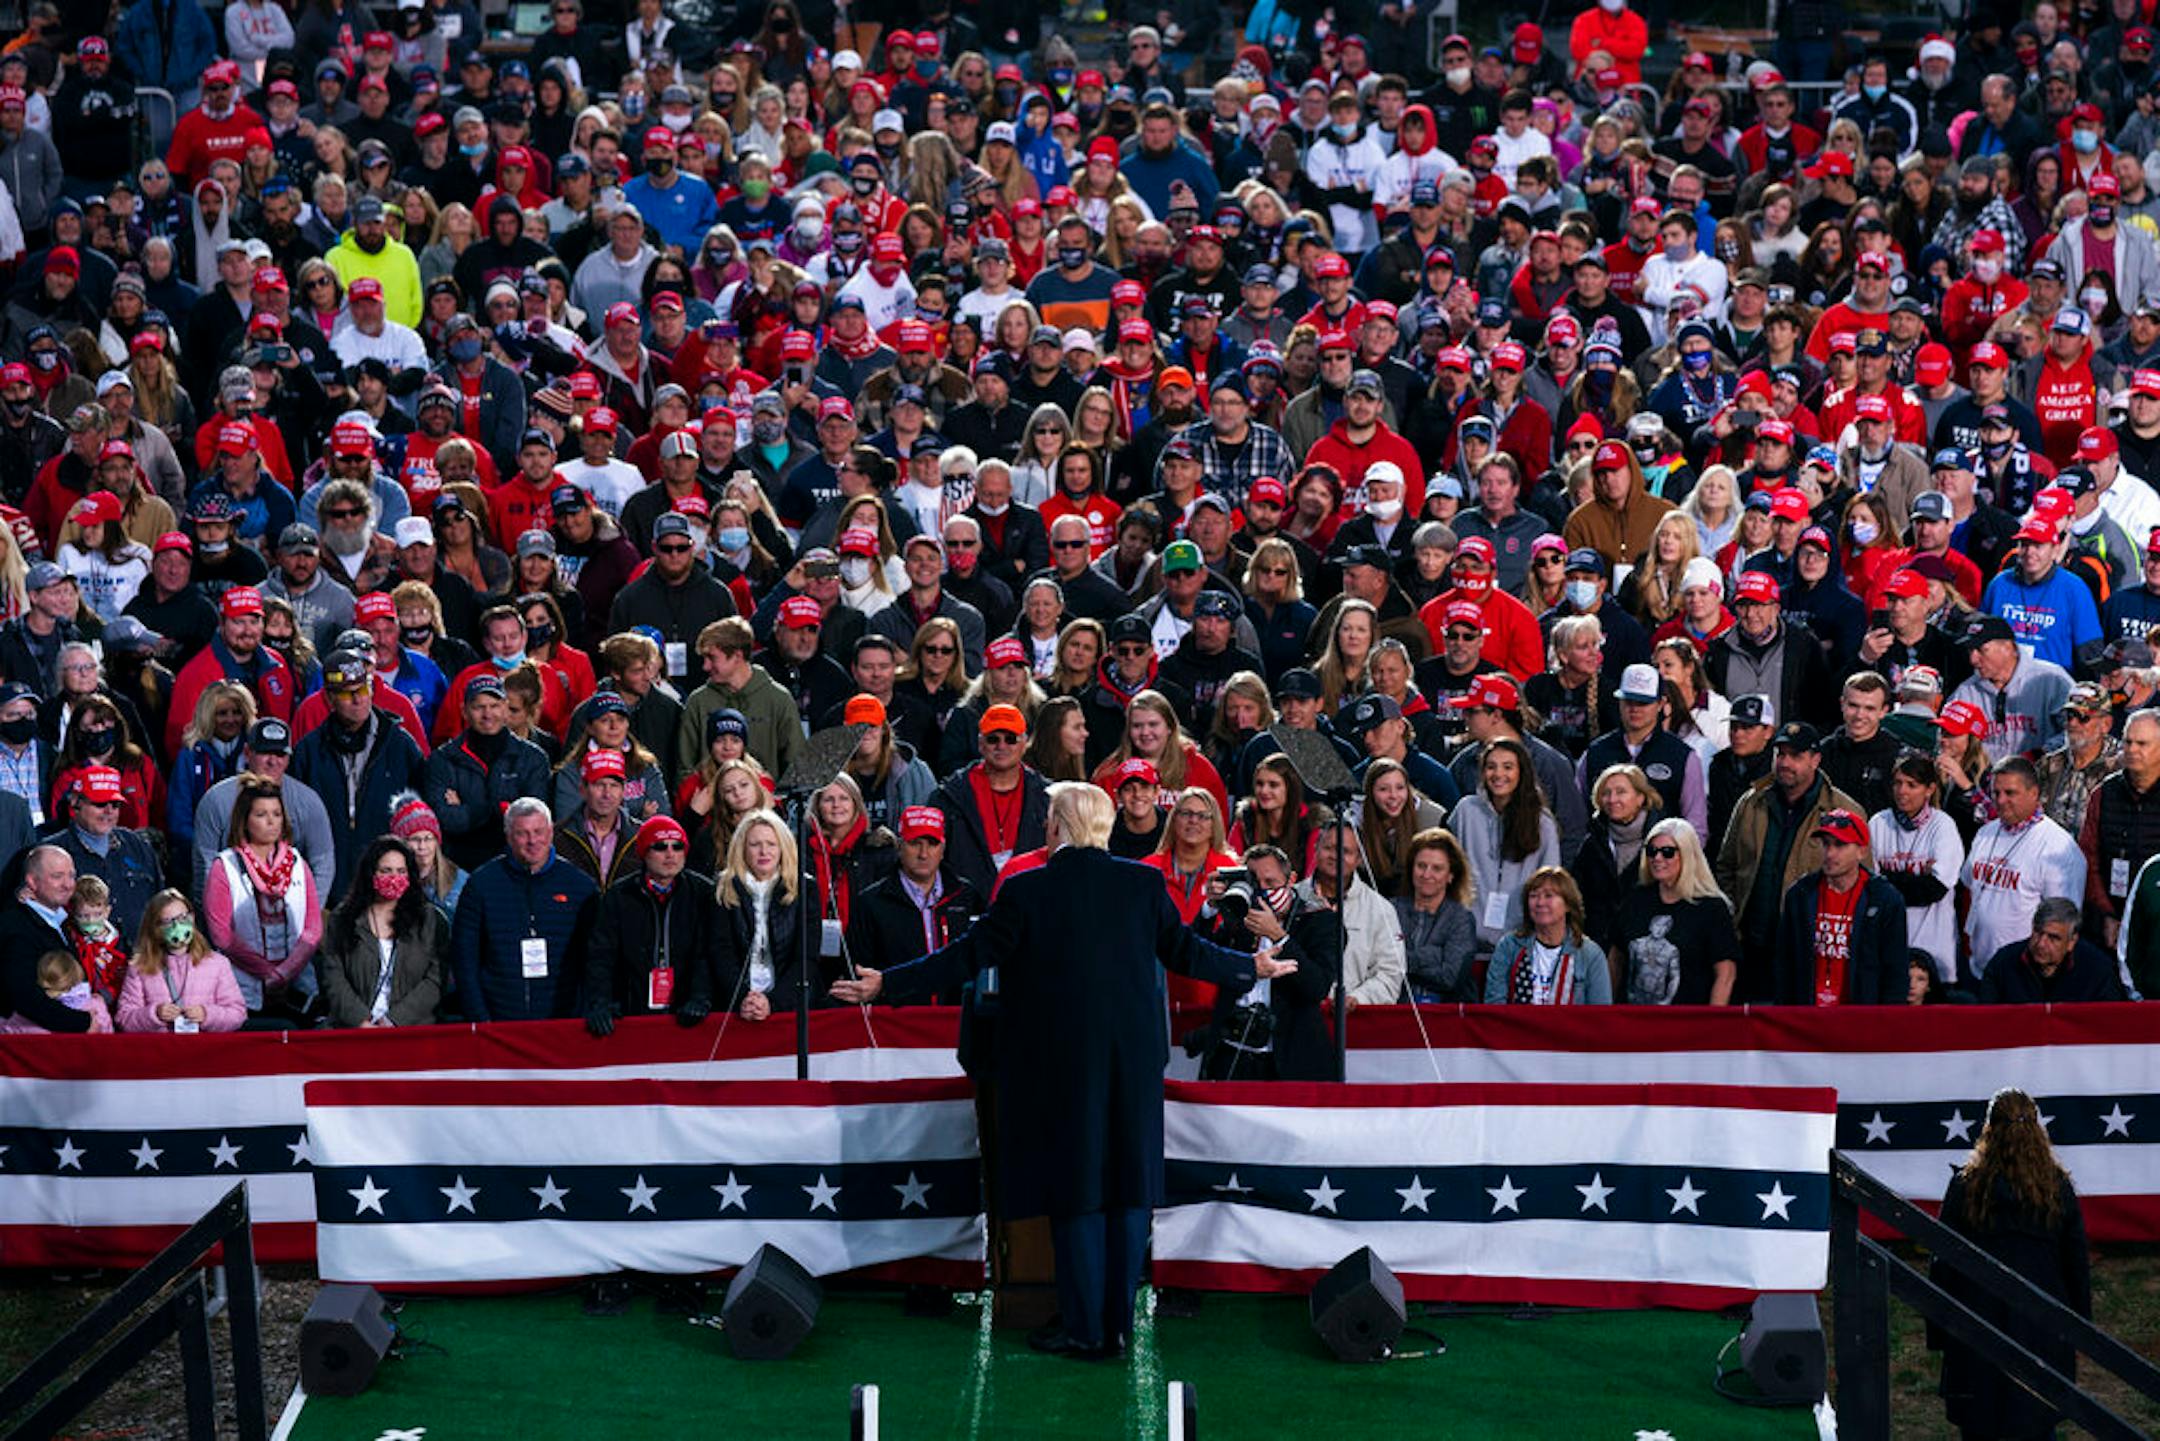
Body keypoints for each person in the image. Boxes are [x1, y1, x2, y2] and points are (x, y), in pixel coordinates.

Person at [830, 783, 1282, 1360]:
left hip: (1060, 1064)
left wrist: (886, 983)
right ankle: (1117, 1327)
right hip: (1135, 1061)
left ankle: (1084, 1329)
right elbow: (1187, 952)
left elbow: (967, 957)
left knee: (1078, 1190)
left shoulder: (1026, 889)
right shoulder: (1143, 883)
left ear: (1059, 826)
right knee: (1127, 1188)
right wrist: (1253, 965)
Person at [1931, 1088, 2090, 1441]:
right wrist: (2080, 1329)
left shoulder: (1966, 1186)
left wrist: (1941, 1331)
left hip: (1976, 1324)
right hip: (2041, 1326)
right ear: (2037, 1129)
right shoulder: (2056, 1187)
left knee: (1980, 1426)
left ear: (1989, 1129)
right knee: (2036, 1421)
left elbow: (1942, 1262)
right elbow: (2075, 1262)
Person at [1716, 721, 1866, 1001]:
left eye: (1795, 756)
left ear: (1816, 759)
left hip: (1808, 952)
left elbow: (1861, 883)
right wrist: (1731, 916)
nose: (1785, 762)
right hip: (1749, 946)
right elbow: (1726, 865)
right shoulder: (1751, 802)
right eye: (1780, 754)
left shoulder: (1844, 811)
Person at [1190, 842, 1341, 1081]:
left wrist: (1279, 936)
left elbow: (1316, 987)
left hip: (1292, 1060)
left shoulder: (1322, 921)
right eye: (1255, 884)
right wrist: (1211, 907)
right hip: (1231, 1053)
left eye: (1270, 883)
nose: (1262, 891)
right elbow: (1197, 956)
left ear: (1291, 879)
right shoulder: (1238, 918)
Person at [451, 797, 597, 1021]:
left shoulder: (580, 887)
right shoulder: (481, 885)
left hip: (564, 1023)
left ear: (550, 833)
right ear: (509, 837)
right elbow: (465, 960)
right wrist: (481, 1019)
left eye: (538, 831)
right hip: (498, 1023)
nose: (532, 841)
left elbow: (594, 960)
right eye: (522, 833)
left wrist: (581, 1015)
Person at [582, 815, 722, 1034]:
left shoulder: (704, 893)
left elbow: (708, 953)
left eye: (677, 847)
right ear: (644, 853)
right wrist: (600, 1002)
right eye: (660, 847)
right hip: (630, 1015)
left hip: (688, 1016)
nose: (670, 854)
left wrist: (701, 997)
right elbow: (601, 955)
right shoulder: (618, 896)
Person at [203, 772, 323, 1025]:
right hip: (241, 990)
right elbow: (222, 935)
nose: (271, 822)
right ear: (245, 820)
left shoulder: (298, 862)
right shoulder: (224, 866)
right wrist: (266, 972)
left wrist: (285, 973)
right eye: (261, 814)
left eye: (276, 814)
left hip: (296, 989)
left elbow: (313, 929)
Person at [1963, 757, 2089, 978]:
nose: (2001, 801)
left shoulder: (2058, 847)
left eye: (2010, 793)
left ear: (2034, 793)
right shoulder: (1986, 832)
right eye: (1996, 793)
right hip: (1979, 969)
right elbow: (1968, 883)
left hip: (2025, 975)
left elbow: (2062, 922)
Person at [1773, 808, 1908, 1005]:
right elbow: (1784, 963)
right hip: (1808, 1016)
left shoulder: (1885, 899)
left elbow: (1895, 971)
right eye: (1826, 844)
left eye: (1840, 844)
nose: (1830, 853)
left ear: (1861, 851)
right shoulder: (1800, 895)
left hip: (1859, 1020)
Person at [316, 836, 448, 1027]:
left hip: (412, 1030)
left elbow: (435, 980)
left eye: (401, 871)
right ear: (370, 873)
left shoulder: (430, 920)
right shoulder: (343, 918)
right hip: (353, 1029)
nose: (394, 878)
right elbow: (333, 975)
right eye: (386, 871)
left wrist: (394, 1020)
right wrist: (360, 1020)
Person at [1449, 736, 1561, 953]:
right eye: (1491, 767)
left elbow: (1550, 882)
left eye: (1508, 767)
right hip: (1467, 941)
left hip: (1519, 943)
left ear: (1522, 772)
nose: (1498, 774)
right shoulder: (1465, 811)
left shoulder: (1542, 821)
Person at [1870, 751, 1968, 987]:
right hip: (1889, 946)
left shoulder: (1943, 826)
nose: (1902, 791)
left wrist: (1889, 879)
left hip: (1935, 949)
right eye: (1898, 783)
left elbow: (1933, 890)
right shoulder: (1878, 823)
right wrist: (1913, 880)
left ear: (1929, 789)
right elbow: (1871, 889)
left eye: (1912, 785)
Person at [713, 807, 816, 1020]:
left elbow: (806, 958)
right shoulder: (723, 887)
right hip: (737, 1004)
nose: (764, 852)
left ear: (783, 848)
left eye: (771, 844)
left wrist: (773, 1002)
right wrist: (743, 998)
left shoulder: (805, 888)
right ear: (742, 849)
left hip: (789, 1004)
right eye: (755, 844)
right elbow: (721, 954)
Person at [1297, 818, 1408, 1011]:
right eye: (1329, 848)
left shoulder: (1380, 909)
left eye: (1345, 851)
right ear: (1315, 849)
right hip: (1299, 1016)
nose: (1335, 856)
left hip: (1355, 1023)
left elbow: (1390, 974)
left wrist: (1357, 999)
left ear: (1359, 859)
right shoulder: (1292, 899)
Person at [114, 890, 246, 1034]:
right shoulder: (139, 968)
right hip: (160, 1051)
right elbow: (124, 1019)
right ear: (154, 928)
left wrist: (207, 1014)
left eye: (183, 917)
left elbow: (237, 1014)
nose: (177, 926)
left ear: (192, 918)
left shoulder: (218, 964)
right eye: (167, 921)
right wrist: (154, 1014)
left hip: (205, 1050)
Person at [1483, 866, 1611, 1004]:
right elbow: (1494, 1005)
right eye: (1533, 896)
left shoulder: (1590, 954)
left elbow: (1599, 1015)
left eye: (1548, 896)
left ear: (1568, 904)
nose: (1540, 903)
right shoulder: (1508, 946)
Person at [0, 846, 85, 1034]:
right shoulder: (16, 925)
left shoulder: (62, 922)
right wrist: (82, 1022)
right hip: (32, 1045)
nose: (68, 884)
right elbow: (24, 997)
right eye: (57, 876)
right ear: (32, 881)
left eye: (71, 875)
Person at [1976, 896, 2127, 1003]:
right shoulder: (2003, 964)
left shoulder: (2099, 972)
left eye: (2053, 938)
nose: (2041, 944)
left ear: (2071, 941)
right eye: (2038, 932)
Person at [1394, 827, 1479, 1004]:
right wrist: (1433, 955)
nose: (1427, 875)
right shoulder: (1390, 910)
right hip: (1396, 1010)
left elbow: (1449, 978)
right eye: (1421, 866)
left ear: (1450, 876)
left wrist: (1404, 960)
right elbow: (1379, 965)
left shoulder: (1461, 919)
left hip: (1443, 1016)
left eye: (1437, 868)